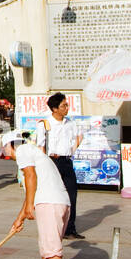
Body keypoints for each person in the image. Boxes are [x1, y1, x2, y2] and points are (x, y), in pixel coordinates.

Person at [3, 131, 70, 259]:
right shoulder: (34, 153)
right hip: (54, 202)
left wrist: (29, 208)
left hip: (50, 203)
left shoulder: (24, 150)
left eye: (4, 149)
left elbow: (31, 177)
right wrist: (20, 218)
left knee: (52, 250)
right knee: (46, 247)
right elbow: (30, 191)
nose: (5, 154)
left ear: (10, 145)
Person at [35, 92, 83, 238]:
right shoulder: (45, 124)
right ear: (54, 109)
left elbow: (79, 137)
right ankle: (54, 227)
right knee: (54, 195)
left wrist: (71, 151)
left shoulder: (70, 123)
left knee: (71, 194)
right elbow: (41, 145)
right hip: (52, 161)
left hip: (66, 161)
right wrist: (44, 163)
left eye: (67, 105)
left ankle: (70, 228)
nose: (66, 108)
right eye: (63, 105)